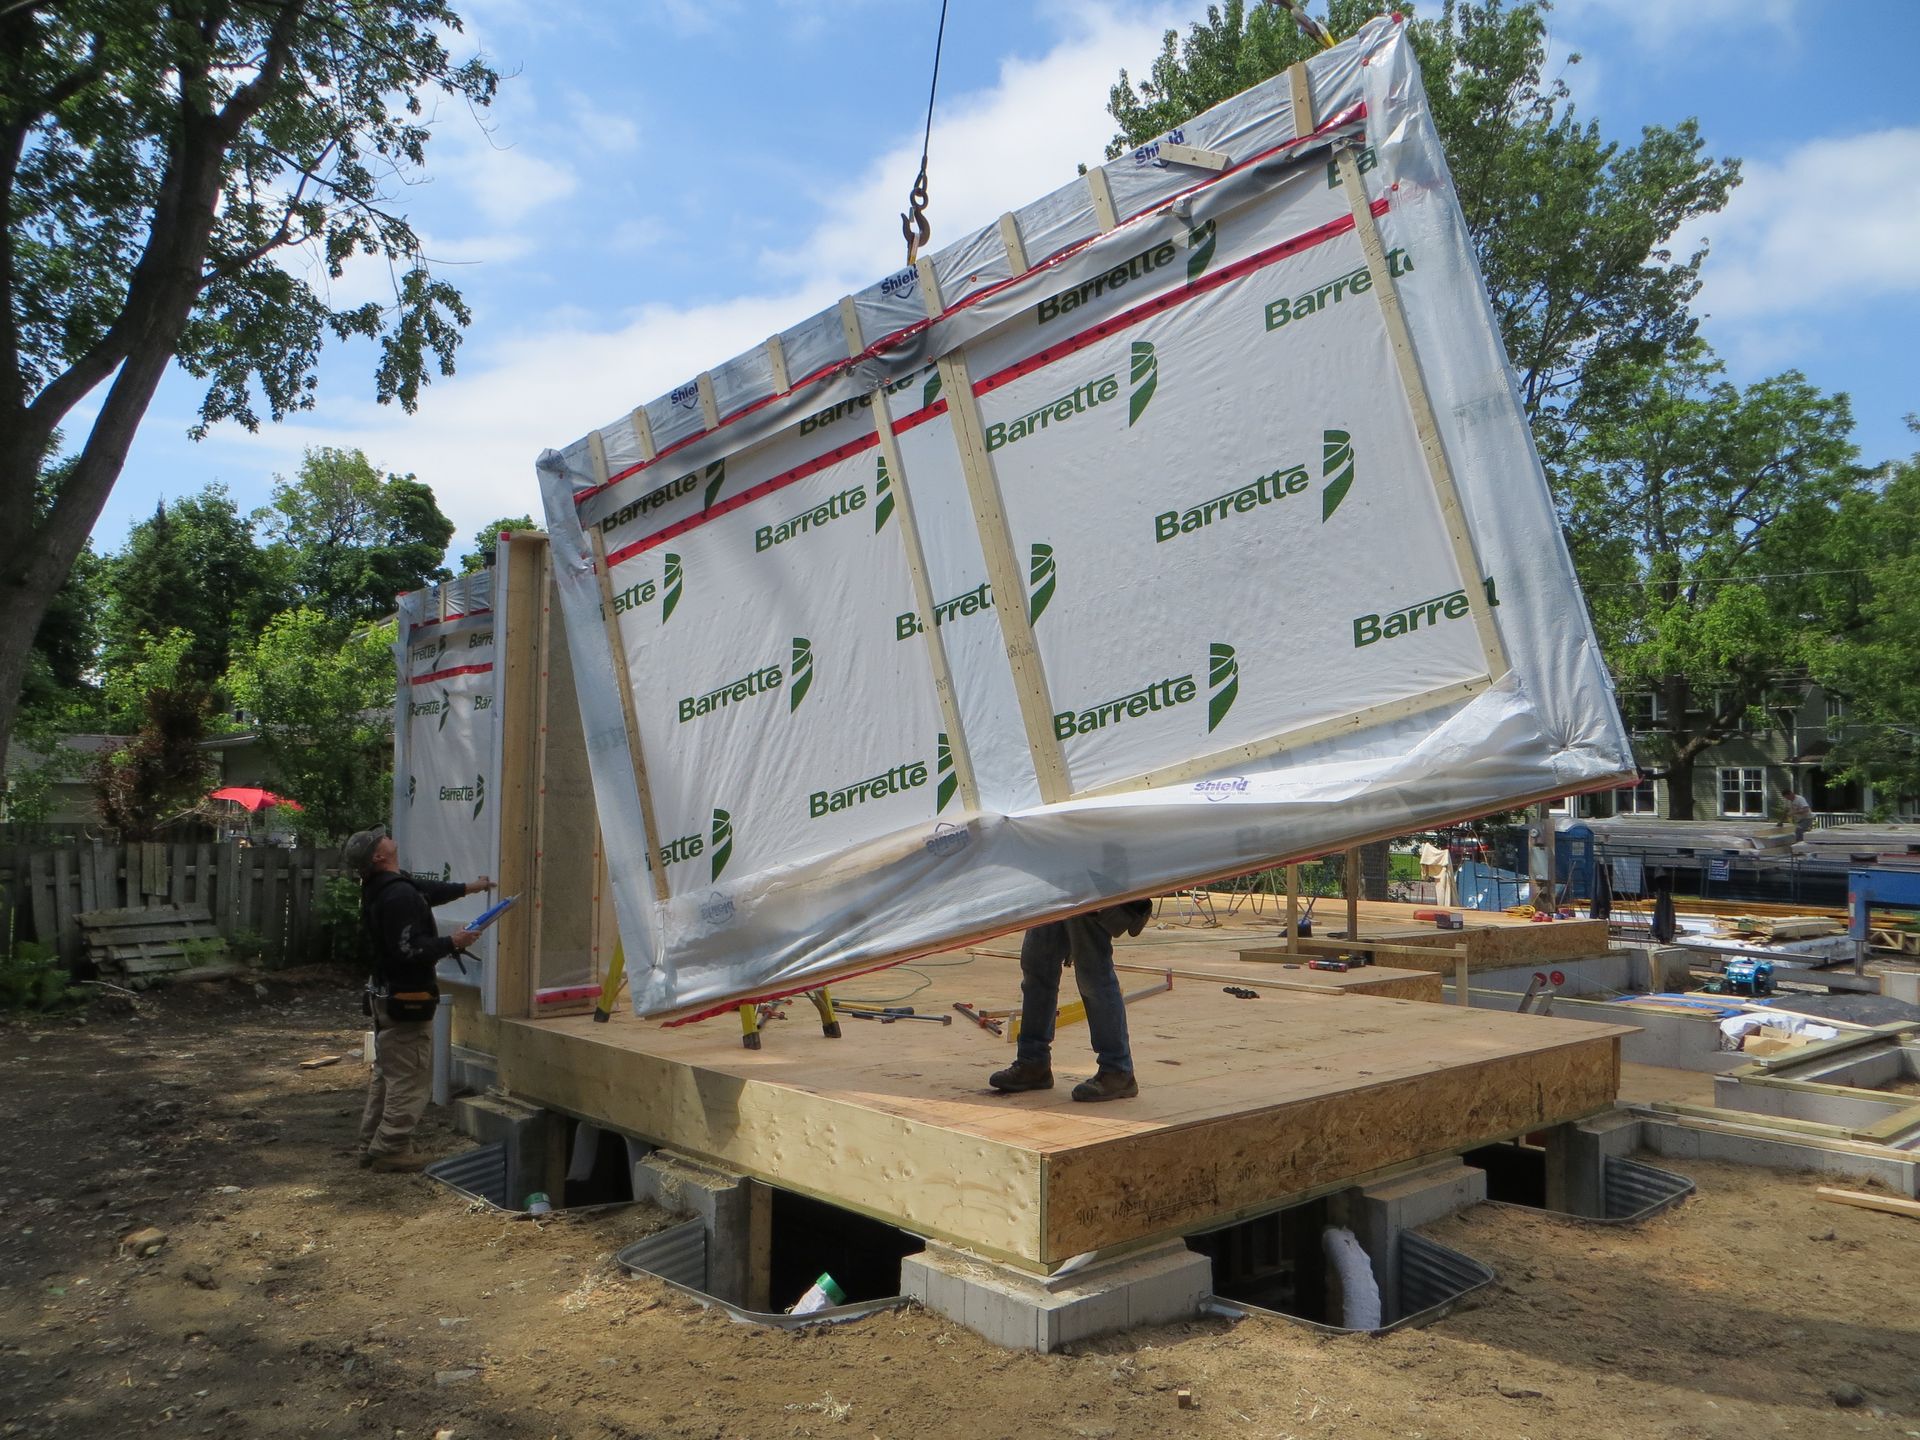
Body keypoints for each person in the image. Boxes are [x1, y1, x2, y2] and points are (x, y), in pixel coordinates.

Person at [344, 826, 493, 1170]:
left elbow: (426, 892)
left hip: (388, 996)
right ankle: (392, 1149)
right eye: (377, 839)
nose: (385, 836)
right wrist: (452, 943)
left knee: (388, 1074)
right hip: (406, 998)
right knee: (409, 1079)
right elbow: (409, 950)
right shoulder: (398, 897)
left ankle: (372, 1144)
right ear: (378, 857)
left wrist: (471, 887)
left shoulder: (389, 887)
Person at [989, 898, 1154, 1102]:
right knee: (1037, 966)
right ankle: (1033, 1062)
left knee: (1093, 977)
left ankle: (1117, 1070)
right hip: (1052, 888)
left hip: (1085, 886)